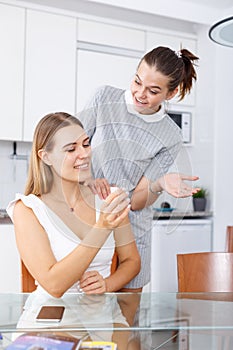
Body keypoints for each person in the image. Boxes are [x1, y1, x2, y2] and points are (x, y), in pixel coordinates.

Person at [78, 46, 200, 292]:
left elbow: (137, 202)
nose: (140, 94)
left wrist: (159, 184)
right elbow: (71, 148)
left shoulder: (170, 135)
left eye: (153, 91)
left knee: (127, 318)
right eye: (137, 81)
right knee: (86, 308)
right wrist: (87, 178)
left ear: (171, 92)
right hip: (89, 219)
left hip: (134, 230)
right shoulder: (104, 99)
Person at [6, 112, 140, 298]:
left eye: (86, 144)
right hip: (51, 315)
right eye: (71, 149)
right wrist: (102, 228)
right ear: (46, 157)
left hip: (100, 313)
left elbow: (131, 261)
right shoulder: (27, 209)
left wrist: (107, 285)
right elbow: (54, 286)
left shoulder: (109, 198)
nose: (84, 154)